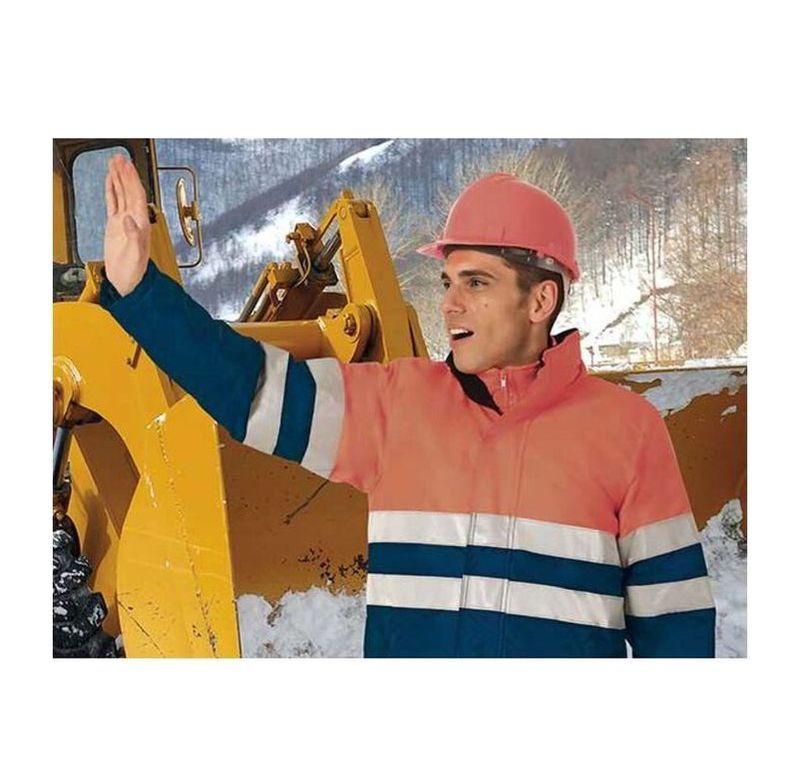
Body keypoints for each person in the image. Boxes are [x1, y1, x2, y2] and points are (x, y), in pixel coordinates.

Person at [100, 155, 716, 657]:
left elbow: (677, 628)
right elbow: (251, 388)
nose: (449, 304)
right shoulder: (397, 406)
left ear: (540, 301)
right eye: (448, 282)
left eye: (476, 282)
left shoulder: (628, 431)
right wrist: (140, 292)